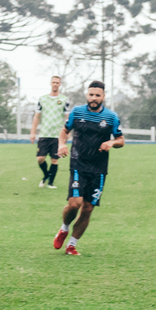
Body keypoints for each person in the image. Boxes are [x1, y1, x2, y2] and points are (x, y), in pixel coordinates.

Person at [54, 81, 124, 256]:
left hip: (99, 168)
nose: (94, 98)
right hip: (78, 163)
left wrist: (111, 142)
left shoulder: (111, 117)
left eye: (97, 95)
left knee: (87, 209)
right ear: (87, 95)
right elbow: (64, 131)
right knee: (75, 204)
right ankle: (64, 228)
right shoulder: (77, 112)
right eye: (91, 95)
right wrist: (61, 144)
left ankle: (71, 245)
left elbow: (121, 140)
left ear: (103, 97)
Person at [30, 75, 71, 189]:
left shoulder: (64, 99)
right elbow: (37, 116)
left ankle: (50, 183)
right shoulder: (42, 99)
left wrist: (68, 131)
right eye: (53, 82)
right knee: (40, 158)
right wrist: (33, 132)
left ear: (60, 84)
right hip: (44, 133)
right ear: (50, 83)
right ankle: (46, 175)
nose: (55, 84)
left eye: (57, 82)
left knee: (54, 160)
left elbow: (67, 117)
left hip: (57, 135)